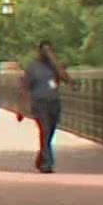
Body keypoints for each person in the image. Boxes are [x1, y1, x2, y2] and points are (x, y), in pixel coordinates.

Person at [23, 40, 69, 173]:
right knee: (45, 130)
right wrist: (22, 108)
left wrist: (54, 61)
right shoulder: (32, 67)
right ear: (39, 51)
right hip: (39, 103)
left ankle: (41, 156)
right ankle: (47, 163)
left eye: (49, 50)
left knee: (49, 132)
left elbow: (66, 78)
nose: (46, 53)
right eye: (44, 50)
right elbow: (25, 87)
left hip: (54, 102)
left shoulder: (55, 66)